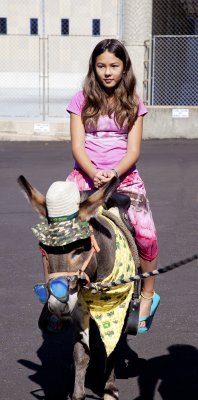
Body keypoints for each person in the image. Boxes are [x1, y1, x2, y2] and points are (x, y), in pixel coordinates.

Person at [66, 38, 160, 333]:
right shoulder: (81, 100)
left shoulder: (133, 103)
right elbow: (77, 146)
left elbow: (133, 151)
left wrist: (113, 174)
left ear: (124, 68)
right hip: (85, 173)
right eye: (101, 65)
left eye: (114, 66)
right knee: (55, 228)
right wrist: (94, 172)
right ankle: (54, 292)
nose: (107, 72)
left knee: (146, 232)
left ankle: (147, 295)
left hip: (124, 175)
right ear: (94, 68)